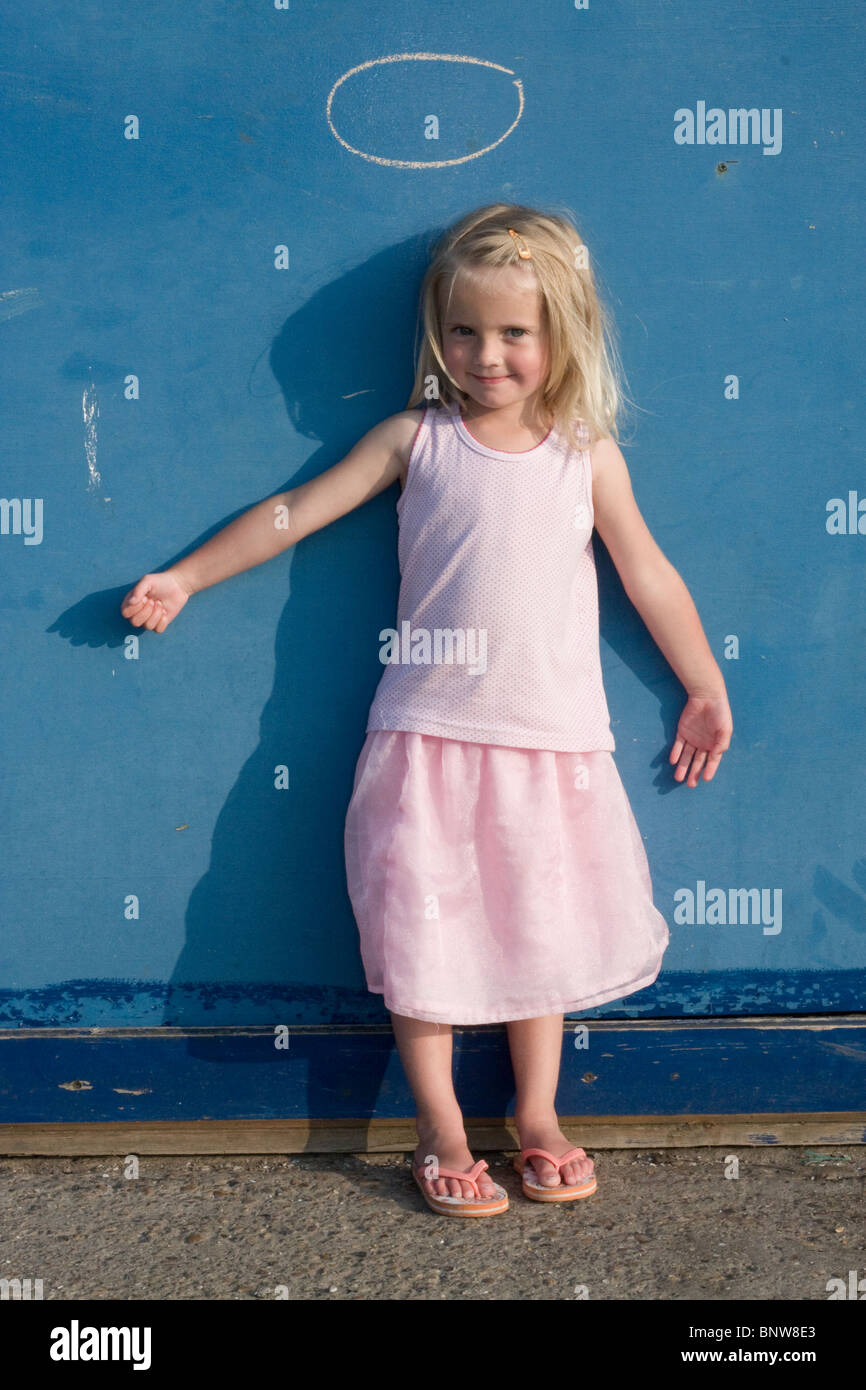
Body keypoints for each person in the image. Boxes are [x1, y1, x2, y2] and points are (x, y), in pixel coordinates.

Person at [121, 202, 733, 1219]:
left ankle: (535, 1113)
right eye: (463, 331)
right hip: (430, 737)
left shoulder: (584, 455)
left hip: (549, 742)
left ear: (560, 335)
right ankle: (440, 1127)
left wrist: (702, 682)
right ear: (435, 334)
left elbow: (649, 575)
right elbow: (293, 513)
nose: (485, 356)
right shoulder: (416, 441)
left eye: (513, 334)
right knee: (425, 934)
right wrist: (186, 576)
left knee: (542, 929)